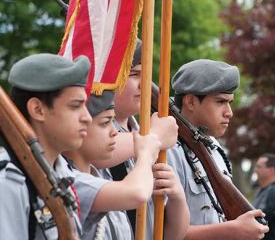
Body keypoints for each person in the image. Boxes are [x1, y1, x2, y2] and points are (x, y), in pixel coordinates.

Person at [92, 39, 189, 240]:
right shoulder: (154, 136)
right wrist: (155, 136)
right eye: (134, 74)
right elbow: (99, 154)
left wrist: (177, 196)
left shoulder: (154, 138)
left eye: (146, 75)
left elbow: (172, 235)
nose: (144, 84)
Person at [62, 90, 188, 240]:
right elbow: (137, 194)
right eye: (105, 123)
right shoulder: (71, 182)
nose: (115, 132)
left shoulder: (96, 180)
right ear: (80, 129)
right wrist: (146, 154)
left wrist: (178, 197)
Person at [165, 59, 269, 240]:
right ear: (190, 101)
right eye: (220, 101)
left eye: (229, 102)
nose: (229, 112)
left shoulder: (212, 145)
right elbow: (160, 232)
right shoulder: (167, 150)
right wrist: (231, 230)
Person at [0, 54, 92, 239]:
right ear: (38, 109)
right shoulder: (7, 188)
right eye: (75, 106)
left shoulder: (61, 176)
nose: (87, 117)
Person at [252, 154, 275, 240]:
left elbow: (261, 219)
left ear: (272, 170)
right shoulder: (264, 190)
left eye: (259, 167)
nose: (255, 170)